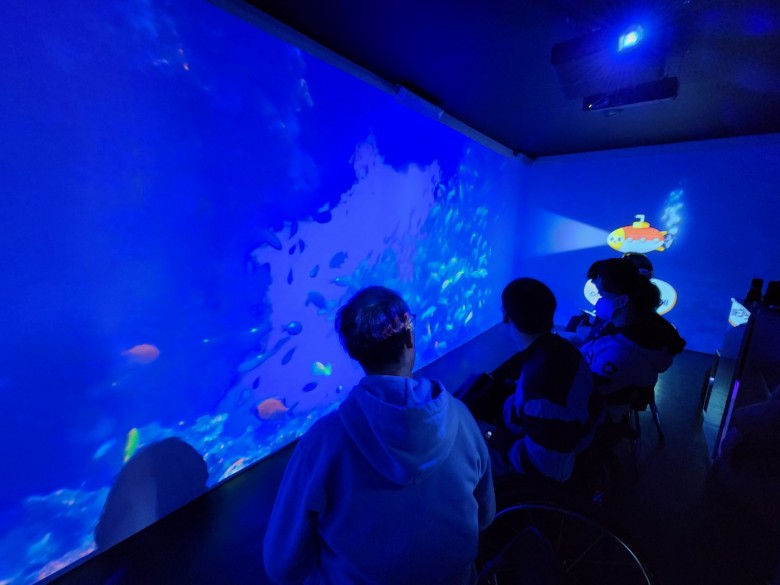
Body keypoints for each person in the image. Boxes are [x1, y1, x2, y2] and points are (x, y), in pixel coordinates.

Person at [263, 286, 495, 585]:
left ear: (354, 353)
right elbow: (485, 516)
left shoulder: (322, 443)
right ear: (409, 339)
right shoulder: (461, 417)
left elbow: (281, 566)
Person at [495, 278, 602, 483]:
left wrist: (492, 437)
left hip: (548, 470)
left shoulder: (542, 386)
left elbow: (549, 468)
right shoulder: (562, 349)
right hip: (578, 434)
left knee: (469, 441)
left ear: (506, 315)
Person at [579, 258, 686, 424]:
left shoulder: (624, 353)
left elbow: (584, 392)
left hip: (592, 419)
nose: (597, 302)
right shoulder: (619, 325)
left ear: (622, 301)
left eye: (601, 294)